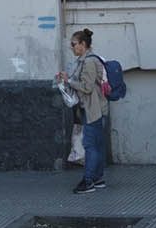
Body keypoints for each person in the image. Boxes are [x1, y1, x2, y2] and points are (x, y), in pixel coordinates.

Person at [56, 28, 107, 194]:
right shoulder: (85, 61)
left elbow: (87, 87)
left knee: (90, 145)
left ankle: (88, 181)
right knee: (97, 145)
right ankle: (98, 178)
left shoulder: (90, 62)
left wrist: (69, 81)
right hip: (95, 108)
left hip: (93, 109)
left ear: (83, 44)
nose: (72, 47)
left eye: (74, 44)